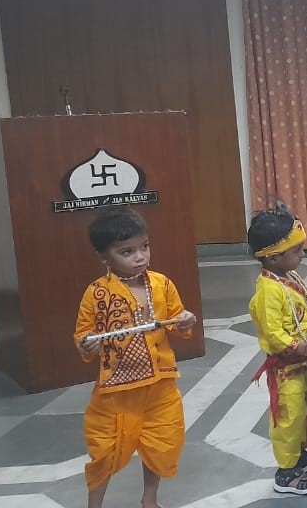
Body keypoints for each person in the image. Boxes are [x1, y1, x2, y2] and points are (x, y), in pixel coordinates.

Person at [74, 208, 197, 508]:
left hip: (161, 385)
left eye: (144, 246)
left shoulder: (162, 284)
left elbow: (178, 321)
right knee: (104, 452)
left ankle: (149, 500)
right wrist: (87, 345)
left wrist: (185, 321)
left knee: (160, 445)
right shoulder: (96, 293)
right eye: (127, 252)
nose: (140, 257)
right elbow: (83, 336)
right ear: (104, 257)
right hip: (116, 393)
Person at [247, 204, 307, 495]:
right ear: (273, 256)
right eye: (297, 250)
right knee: (288, 418)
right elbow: (274, 334)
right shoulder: (268, 290)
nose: (303, 255)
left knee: (305, 411)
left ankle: (299, 456)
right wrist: (306, 347)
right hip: (286, 370)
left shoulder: (288, 278)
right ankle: (286, 472)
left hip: (303, 365)